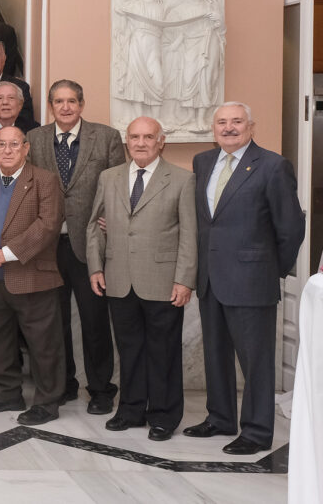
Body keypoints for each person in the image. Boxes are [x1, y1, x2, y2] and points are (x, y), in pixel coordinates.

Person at [184, 102, 304, 455]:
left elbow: (291, 228)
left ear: (251, 126)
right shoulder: (203, 162)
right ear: (213, 128)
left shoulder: (273, 165)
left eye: (237, 122)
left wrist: (270, 270)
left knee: (256, 361)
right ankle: (220, 418)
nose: (229, 128)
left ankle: (256, 431)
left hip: (253, 281)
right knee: (216, 354)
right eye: (222, 122)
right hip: (211, 279)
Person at [87, 116, 196, 441]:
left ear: (160, 141)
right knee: (129, 349)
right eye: (134, 136)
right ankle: (131, 410)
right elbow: (95, 224)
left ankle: (163, 415)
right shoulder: (110, 177)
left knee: (163, 351)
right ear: (127, 141)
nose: (140, 142)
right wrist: (95, 267)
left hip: (163, 280)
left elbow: (190, 234)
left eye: (148, 137)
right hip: (119, 278)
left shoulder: (181, 179)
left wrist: (185, 280)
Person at [26, 80, 125, 412]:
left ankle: (100, 389)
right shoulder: (35, 139)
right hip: (48, 245)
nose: (65, 107)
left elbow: (118, 186)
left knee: (95, 320)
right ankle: (63, 383)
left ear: (82, 104)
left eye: (71, 101)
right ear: (51, 106)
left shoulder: (107, 137)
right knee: (54, 320)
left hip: (90, 245)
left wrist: (114, 223)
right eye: (58, 101)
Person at [0, 126, 65, 426]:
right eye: (1, 145)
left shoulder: (45, 181)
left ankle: (47, 401)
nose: (7, 150)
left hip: (32, 278)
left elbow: (47, 226)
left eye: (14, 145)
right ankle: (8, 393)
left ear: (26, 148)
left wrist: (3, 254)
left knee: (44, 345)